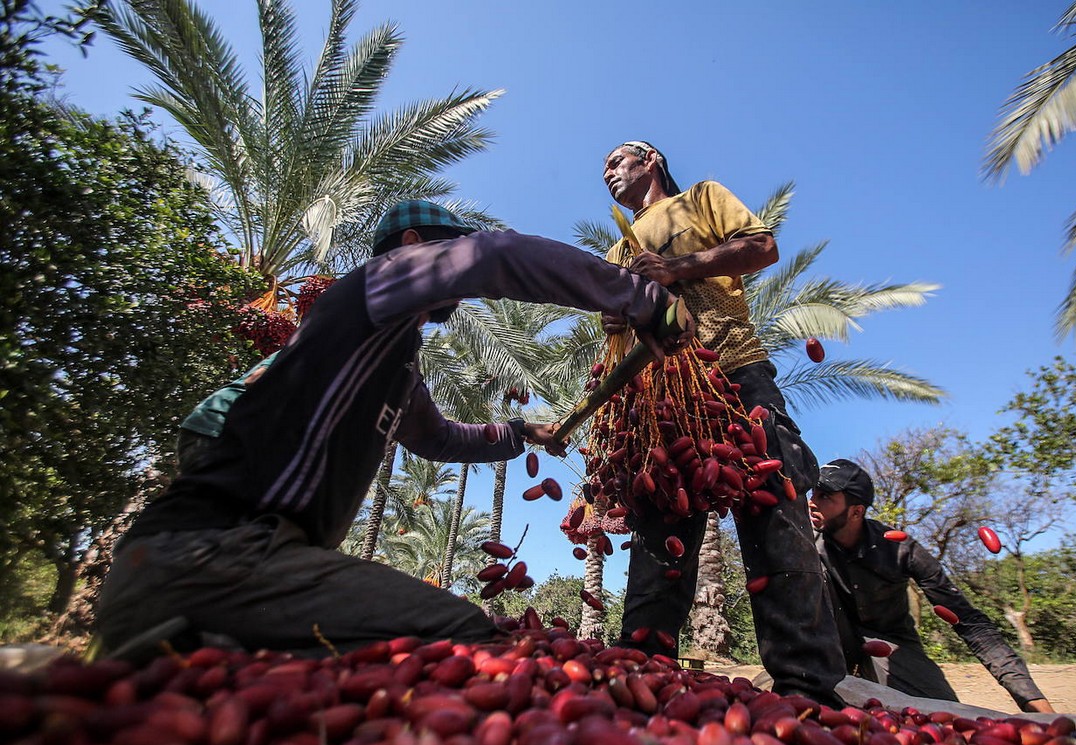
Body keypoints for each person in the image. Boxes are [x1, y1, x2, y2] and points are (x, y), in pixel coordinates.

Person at [97, 199, 692, 660]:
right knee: (467, 644)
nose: (457, 284)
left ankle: (188, 657)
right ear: (412, 248)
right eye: (448, 252)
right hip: (218, 552)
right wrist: (641, 297)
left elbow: (435, 438)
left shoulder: (387, 358)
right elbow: (495, 258)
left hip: (239, 562)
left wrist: (521, 432)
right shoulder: (373, 285)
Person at [600, 141, 846, 702]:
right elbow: (616, 326)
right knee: (660, 530)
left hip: (733, 372)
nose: (609, 173)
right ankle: (640, 676)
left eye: (618, 161)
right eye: (606, 170)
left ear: (651, 160)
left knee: (774, 515)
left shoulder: (703, 198)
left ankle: (809, 686)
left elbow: (762, 247)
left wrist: (675, 268)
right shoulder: (619, 248)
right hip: (663, 398)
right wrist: (616, 314)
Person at [808, 458, 1055, 713]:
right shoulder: (805, 542)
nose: (811, 502)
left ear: (856, 511)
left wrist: (1030, 697)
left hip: (891, 644)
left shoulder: (902, 550)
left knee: (942, 716)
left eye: (824, 496)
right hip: (828, 642)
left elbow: (968, 621)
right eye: (812, 493)